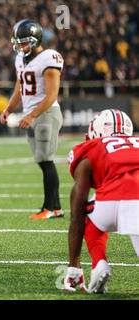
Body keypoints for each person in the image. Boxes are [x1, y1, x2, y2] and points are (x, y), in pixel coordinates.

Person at [63, 109, 138, 294]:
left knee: (86, 212)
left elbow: (76, 213)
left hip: (109, 204)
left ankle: (99, 263)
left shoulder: (91, 148)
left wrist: (74, 268)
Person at [0, 19, 64, 219]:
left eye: (24, 42)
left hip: (46, 113)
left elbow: (52, 95)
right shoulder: (20, 58)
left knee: (46, 160)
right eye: (18, 42)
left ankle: (52, 208)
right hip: (33, 115)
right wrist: (9, 109)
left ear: (36, 40)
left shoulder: (49, 58)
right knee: (42, 160)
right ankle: (53, 207)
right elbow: (20, 88)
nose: (20, 46)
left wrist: (31, 115)